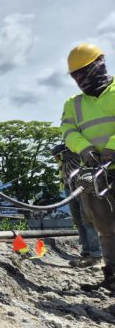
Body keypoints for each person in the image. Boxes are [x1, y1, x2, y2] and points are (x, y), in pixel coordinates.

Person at [60, 43, 115, 292]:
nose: (80, 79)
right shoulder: (74, 104)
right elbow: (68, 131)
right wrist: (83, 148)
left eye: (84, 72)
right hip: (95, 172)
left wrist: (112, 147)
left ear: (99, 65)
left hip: (109, 163)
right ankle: (112, 275)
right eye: (76, 76)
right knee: (104, 225)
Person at [51, 144, 102, 267]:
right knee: (78, 221)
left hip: (83, 188)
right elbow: (62, 170)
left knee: (88, 221)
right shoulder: (63, 157)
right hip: (70, 189)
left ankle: (96, 255)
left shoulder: (78, 152)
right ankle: (86, 252)